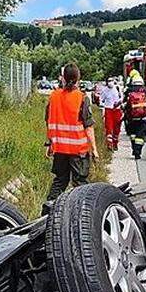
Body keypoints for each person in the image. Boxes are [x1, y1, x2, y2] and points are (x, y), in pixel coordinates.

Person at [44, 63, 99, 213]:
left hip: (60, 149)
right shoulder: (81, 98)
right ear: (78, 78)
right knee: (80, 183)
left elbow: (49, 121)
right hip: (78, 150)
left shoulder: (53, 97)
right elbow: (88, 126)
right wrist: (94, 149)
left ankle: (47, 212)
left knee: (60, 181)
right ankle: (84, 214)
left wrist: (50, 143)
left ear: (63, 78)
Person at [122, 72, 146, 159]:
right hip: (143, 117)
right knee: (140, 136)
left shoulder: (129, 90)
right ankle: (137, 152)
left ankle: (134, 148)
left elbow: (124, 103)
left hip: (131, 117)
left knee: (133, 134)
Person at [97, 76, 123, 150]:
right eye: (109, 81)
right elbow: (101, 100)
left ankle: (115, 144)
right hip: (108, 110)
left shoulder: (117, 88)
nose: (110, 82)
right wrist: (101, 105)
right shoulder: (104, 90)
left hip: (117, 110)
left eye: (111, 80)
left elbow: (121, 98)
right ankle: (109, 144)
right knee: (109, 127)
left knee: (117, 128)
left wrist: (119, 103)